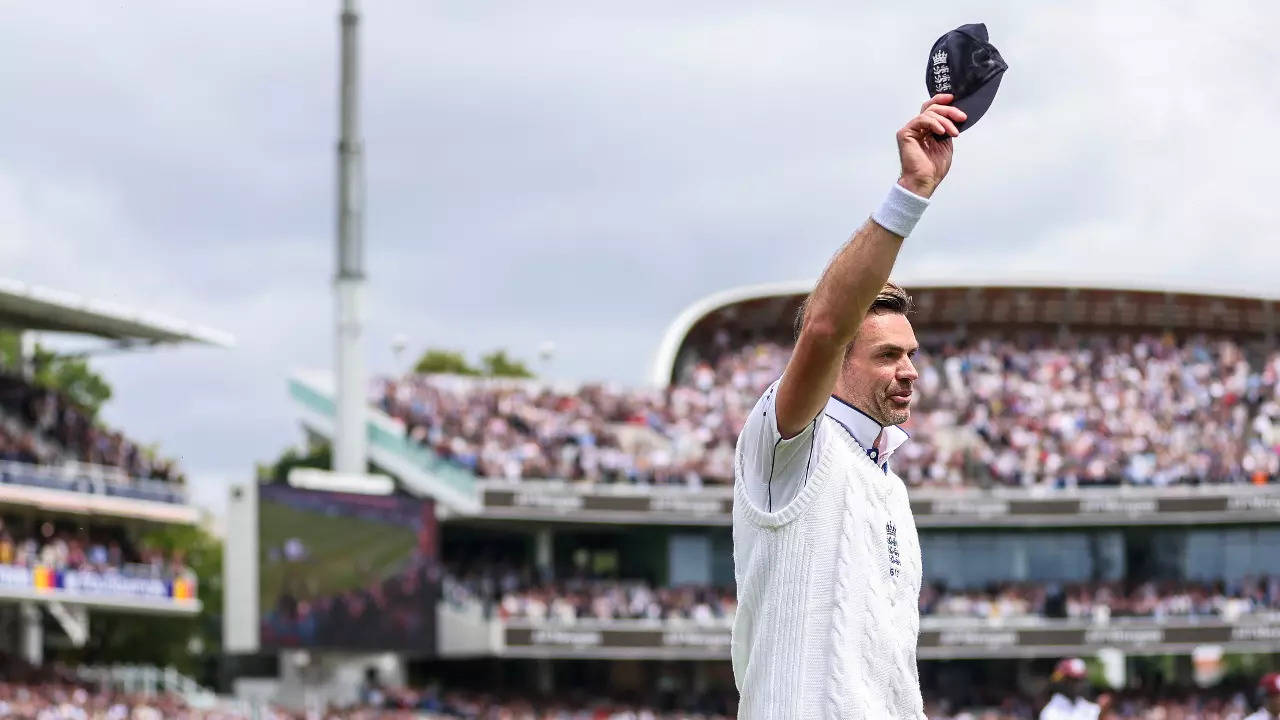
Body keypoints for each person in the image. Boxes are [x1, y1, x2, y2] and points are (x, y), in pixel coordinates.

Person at [730, 92, 968, 718]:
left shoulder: (887, 482)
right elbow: (826, 324)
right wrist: (910, 192)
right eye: (888, 355)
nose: (910, 371)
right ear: (836, 361)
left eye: (911, 353)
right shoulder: (788, 441)